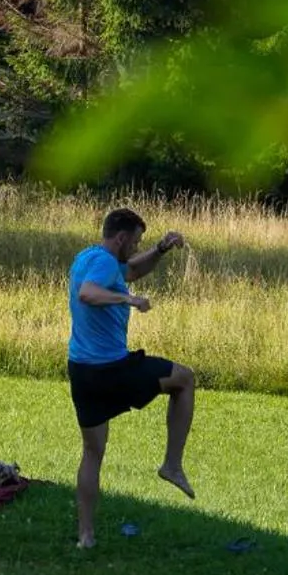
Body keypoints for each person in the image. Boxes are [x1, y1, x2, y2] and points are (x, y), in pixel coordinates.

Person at [67, 207, 196, 549]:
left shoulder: (88, 257)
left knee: (92, 453)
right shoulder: (104, 265)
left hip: (81, 371)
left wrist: (160, 248)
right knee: (184, 379)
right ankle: (172, 465)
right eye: (135, 240)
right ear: (121, 238)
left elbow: (134, 269)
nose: (136, 246)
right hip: (111, 370)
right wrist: (128, 299)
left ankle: (86, 536)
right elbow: (88, 293)